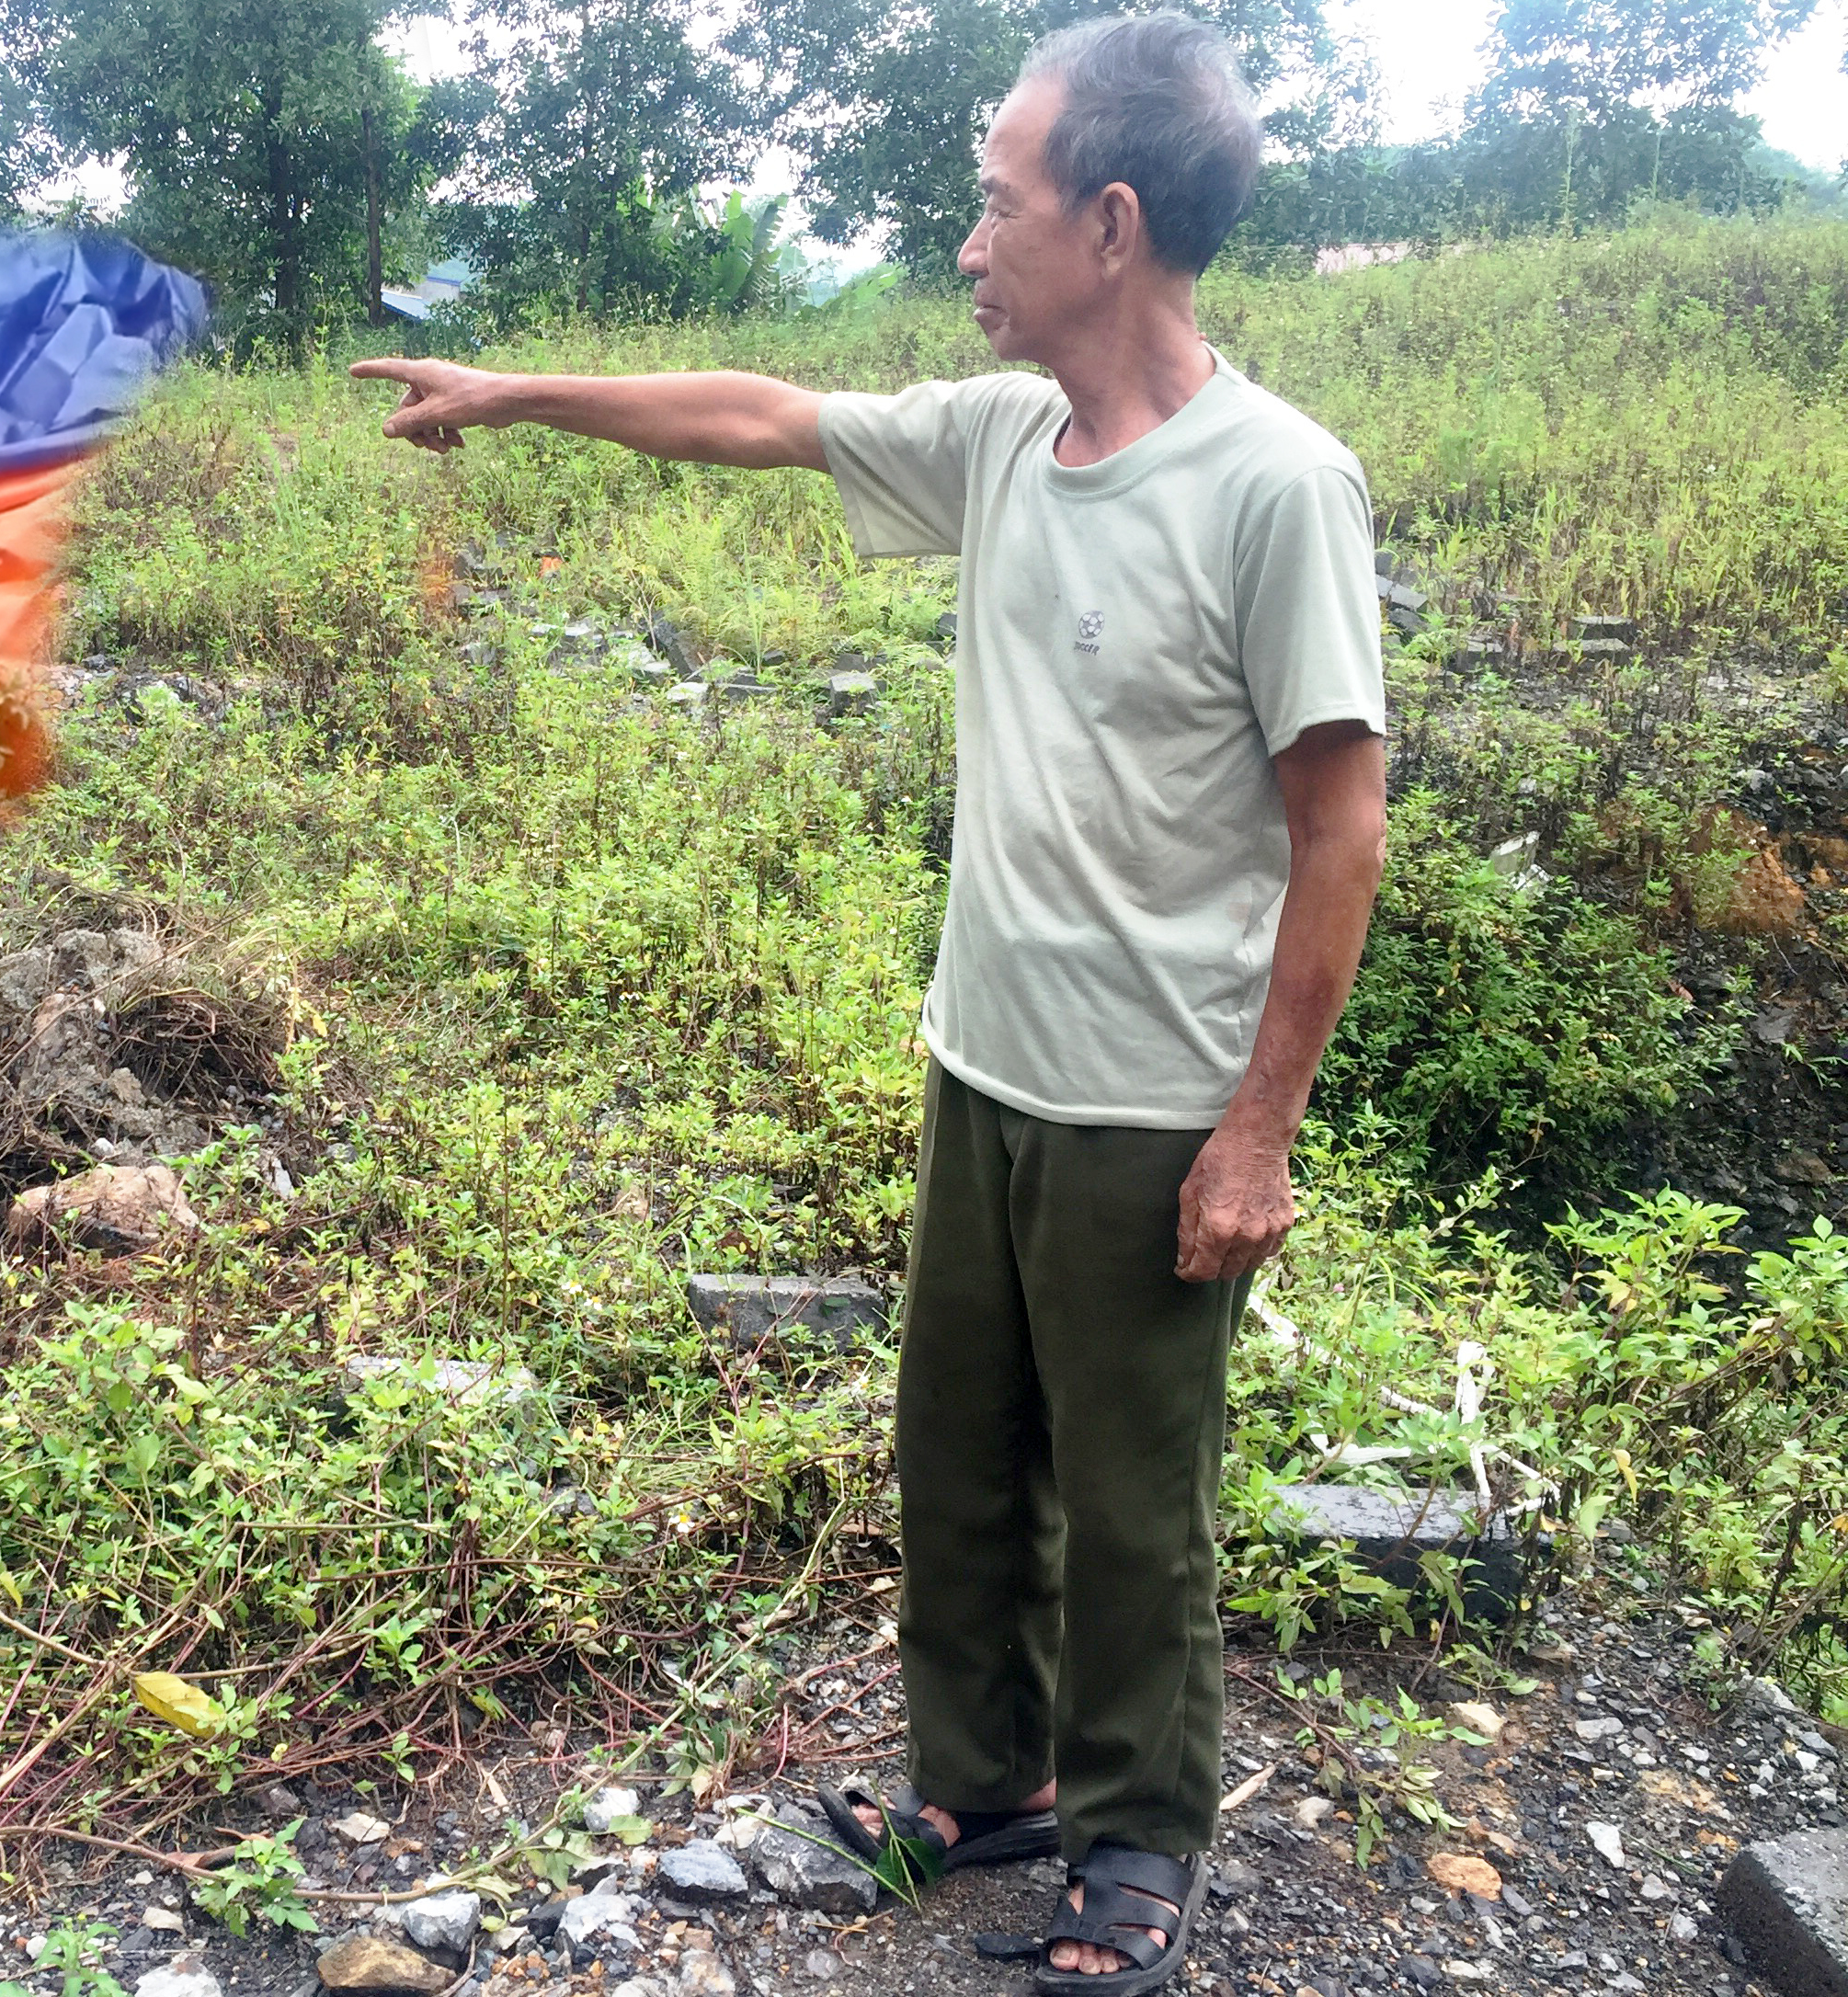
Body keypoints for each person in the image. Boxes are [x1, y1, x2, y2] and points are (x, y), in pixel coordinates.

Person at [350, 13, 1387, 1991]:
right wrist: (519, 394)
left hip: (1146, 1097)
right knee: (960, 1443)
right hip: (984, 1056)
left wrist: (1257, 1128)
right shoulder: (1012, 440)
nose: (970, 241)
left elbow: (1338, 829)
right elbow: (763, 415)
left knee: (1133, 1493)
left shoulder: (1274, 486)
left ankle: (1140, 1842)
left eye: (998, 205)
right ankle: (979, 1781)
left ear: (1110, 218)